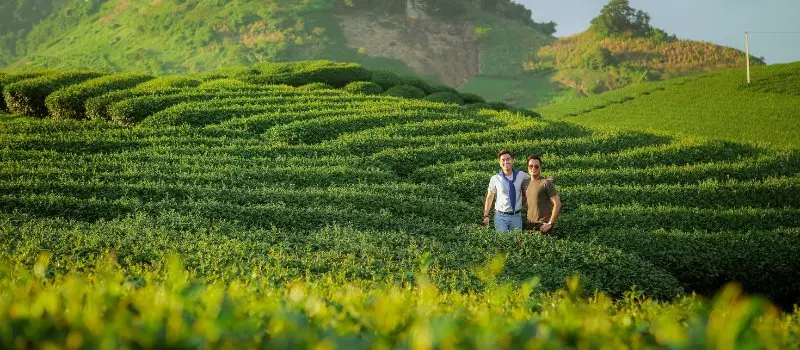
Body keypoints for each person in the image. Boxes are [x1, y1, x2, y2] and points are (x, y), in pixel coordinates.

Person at [483, 150, 530, 232]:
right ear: (499, 162)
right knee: (503, 241)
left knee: (517, 241)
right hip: (500, 216)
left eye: (508, 159)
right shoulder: (495, 178)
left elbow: (534, 180)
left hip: (516, 216)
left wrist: (545, 180)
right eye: (503, 160)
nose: (505, 162)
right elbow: (490, 197)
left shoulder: (521, 175)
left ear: (512, 160)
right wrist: (486, 215)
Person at [524, 155, 561, 234]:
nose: (533, 168)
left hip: (543, 225)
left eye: (536, 166)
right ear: (527, 167)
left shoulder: (546, 183)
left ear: (540, 167)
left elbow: (557, 204)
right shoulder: (525, 183)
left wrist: (550, 223)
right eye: (531, 166)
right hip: (529, 223)